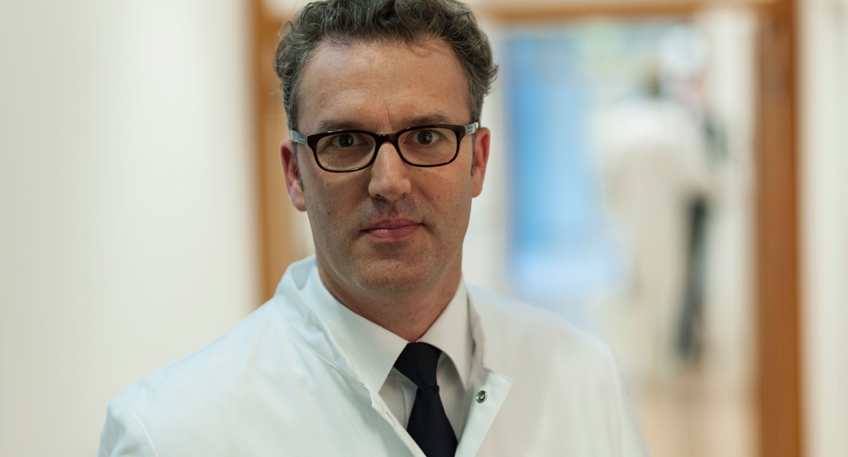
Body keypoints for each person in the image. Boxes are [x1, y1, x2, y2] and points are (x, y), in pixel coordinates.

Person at [98, 1, 649, 456]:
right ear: (295, 175)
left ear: (478, 161)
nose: (389, 182)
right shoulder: (170, 433)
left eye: (426, 137)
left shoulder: (583, 378)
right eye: (345, 141)